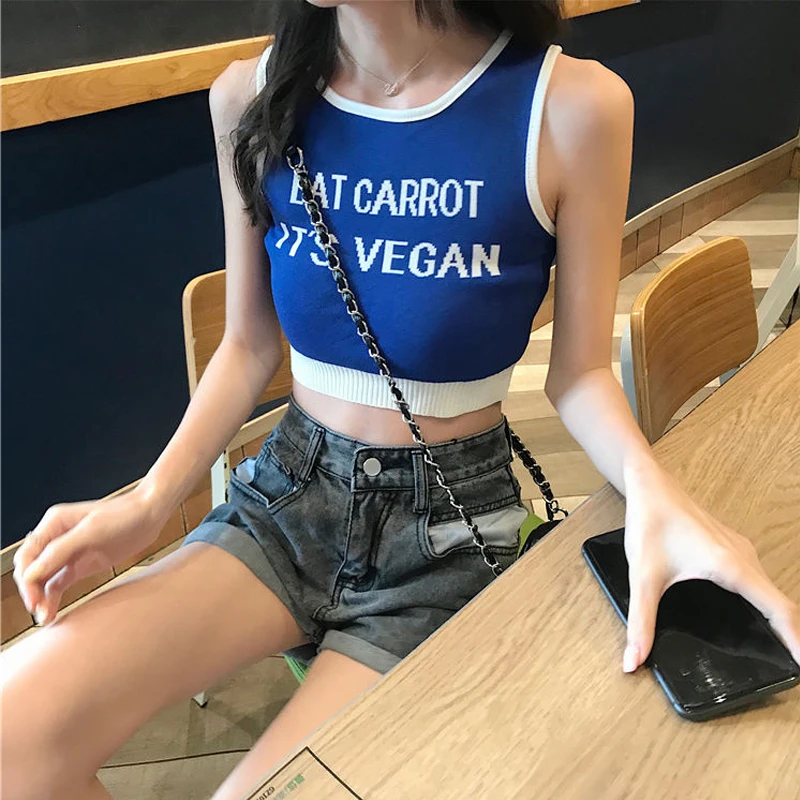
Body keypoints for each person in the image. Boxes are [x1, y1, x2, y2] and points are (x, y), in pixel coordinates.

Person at [3, 1, 799, 798]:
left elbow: (580, 374)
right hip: (286, 498)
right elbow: (248, 344)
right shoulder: (251, 94)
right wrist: (150, 502)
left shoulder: (569, 106)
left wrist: (659, 494)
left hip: (447, 531)